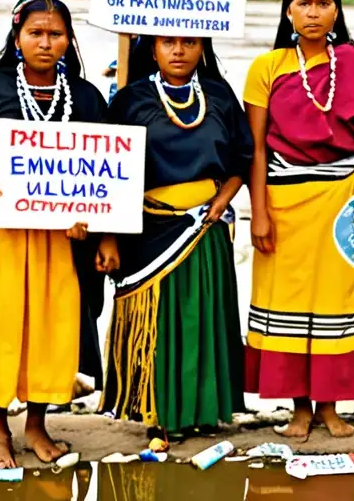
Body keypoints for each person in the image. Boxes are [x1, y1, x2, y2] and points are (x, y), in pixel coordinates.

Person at [0, 0, 112, 468]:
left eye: (55, 34)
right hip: (0, 237)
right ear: (17, 37)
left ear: (69, 40)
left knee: (51, 328)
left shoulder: (85, 97)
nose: (45, 42)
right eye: (35, 33)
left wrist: (95, 221)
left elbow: (106, 169)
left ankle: (37, 426)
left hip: (61, 241)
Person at [243, 0, 354, 439]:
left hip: (343, 201)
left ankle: (330, 408)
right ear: (288, 10)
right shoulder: (266, 68)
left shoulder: (352, 62)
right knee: (285, 302)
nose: (314, 13)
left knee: (337, 304)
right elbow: (254, 147)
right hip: (284, 199)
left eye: (323, 3)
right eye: (304, 4)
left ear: (337, 9)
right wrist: (260, 212)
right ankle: (298, 409)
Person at [100, 35, 251, 441]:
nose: (179, 51)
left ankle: (204, 411)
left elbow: (242, 159)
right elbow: (105, 174)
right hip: (149, 229)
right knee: (161, 322)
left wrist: (222, 200)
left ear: (203, 48)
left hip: (206, 226)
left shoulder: (219, 96)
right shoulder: (129, 101)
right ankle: (158, 412)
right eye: (168, 42)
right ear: (153, 49)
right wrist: (107, 238)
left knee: (201, 317)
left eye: (189, 42)